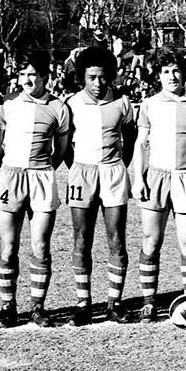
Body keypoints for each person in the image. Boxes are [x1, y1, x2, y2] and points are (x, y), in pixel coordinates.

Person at [0, 51, 71, 327]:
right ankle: (8, 306)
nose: (26, 79)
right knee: (8, 246)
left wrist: (41, 170)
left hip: (42, 178)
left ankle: (38, 306)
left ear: (45, 77)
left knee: (40, 245)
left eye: (32, 74)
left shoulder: (58, 107)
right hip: (10, 176)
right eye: (22, 74)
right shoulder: (7, 105)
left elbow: (60, 151)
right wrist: (10, 170)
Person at [132, 50, 186, 322]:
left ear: (184, 73)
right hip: (156, 177)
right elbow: (140, 144)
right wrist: (138, 177)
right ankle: (148, 301)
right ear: (158, 76)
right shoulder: (149, 104)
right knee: (150, 241)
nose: (171, 76)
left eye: (176, 70)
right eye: (165, 71)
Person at [64, 46, 137, 326]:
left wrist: (117, 164)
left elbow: (129, 140)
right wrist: (80, 168)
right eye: (92, 77)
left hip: (113, 172)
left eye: (103, 77)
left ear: (112, 77)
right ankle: (84, 303)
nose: (98, 83)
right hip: (83, 173)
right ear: (82, 76)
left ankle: (114, 303)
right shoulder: (70, 104)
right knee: (82, 240)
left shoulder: (122, 103)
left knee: (116, 240)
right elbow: (66, 147)